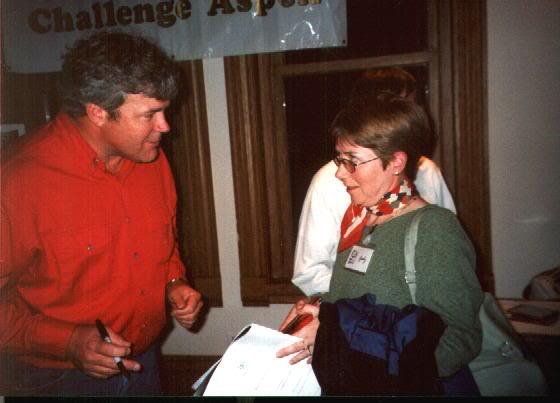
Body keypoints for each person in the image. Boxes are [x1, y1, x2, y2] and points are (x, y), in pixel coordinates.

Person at [0, 31, 203, 396]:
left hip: (145, 361)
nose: (165, 126)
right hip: (58, 379)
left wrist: (175, 282)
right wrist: (67, 341)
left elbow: (164, 241)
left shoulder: (150, 159)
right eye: (150, 114)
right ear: (97, 112)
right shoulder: (19, 181)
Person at [278, 93, 483, 395]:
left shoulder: (435, 229)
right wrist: (318, 309)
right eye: (339, 159)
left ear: (397, 162)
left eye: (352, 161)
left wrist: (335, 342)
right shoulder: (359, 221)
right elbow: (361, 303)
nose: (339, 173)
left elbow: (461, 339)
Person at [292, 67, 456, 296]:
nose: (412, 117)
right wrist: (355, 305)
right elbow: (310, 273)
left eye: (413, 105)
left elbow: (448, 263)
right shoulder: (328, 182)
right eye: (399, 107)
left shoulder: (428, 173)